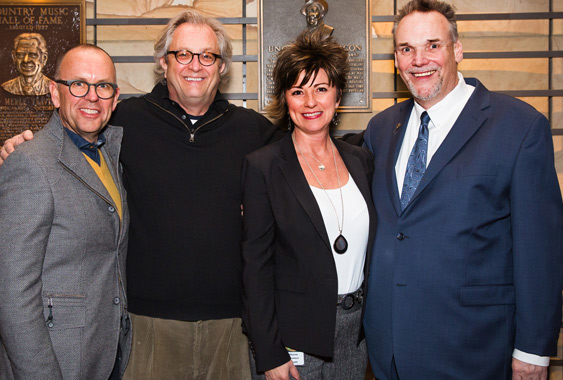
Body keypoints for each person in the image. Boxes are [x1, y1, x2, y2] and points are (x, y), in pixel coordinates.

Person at [0, 9, 280, 380]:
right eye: (183, 54)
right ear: (163, 63)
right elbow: (69, 136)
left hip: (231, 328)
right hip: (145, 329)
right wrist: (19, 146)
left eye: (207, 55)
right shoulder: (122, 123)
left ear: (222, 66)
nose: (195, 65)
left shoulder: (257, 132)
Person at [362, 0, 563, 379]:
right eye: (406, 49)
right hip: (388, 349)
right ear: (396, 59)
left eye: (432, 45)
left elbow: (540, 250)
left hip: (474, 348)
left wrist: (534, 349)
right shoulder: (380, 129)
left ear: (457, 50)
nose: (419, 59)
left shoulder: (519, 127)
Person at [242, 29, 376, 380]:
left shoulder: (360, 160)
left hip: (356, 334)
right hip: (293, 339)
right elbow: (255, 268)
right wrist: (269, 353)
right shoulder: (264, 166)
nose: (310, 102)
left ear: (338, 95)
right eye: (297, 91)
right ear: (286, 99)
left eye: (321, 89)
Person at [0, 44, 130, 380]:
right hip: (56, 359)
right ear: (54, 93)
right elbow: (12, 293)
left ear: (115, 99)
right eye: (78, 84)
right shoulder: (29, 164)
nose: (92, 96)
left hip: (105, 353)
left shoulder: (110, 154)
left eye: (103, 86)